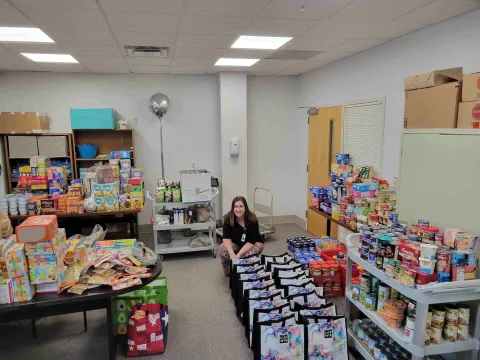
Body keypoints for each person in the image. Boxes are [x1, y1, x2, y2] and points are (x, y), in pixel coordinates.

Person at [219, 196, 264, 276]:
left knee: (246, 255)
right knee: (222, 249)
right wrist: (232, 253)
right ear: (232, 208)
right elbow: (226, 238)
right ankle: (228, 271)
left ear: (245, 207)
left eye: (241, 206)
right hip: (236, 244)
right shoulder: (227, 219)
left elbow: (251, 242)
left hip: (253, 243)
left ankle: (245, 270)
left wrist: (239, 254)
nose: (238, 209)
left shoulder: (252, 219)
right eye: (236, 206)